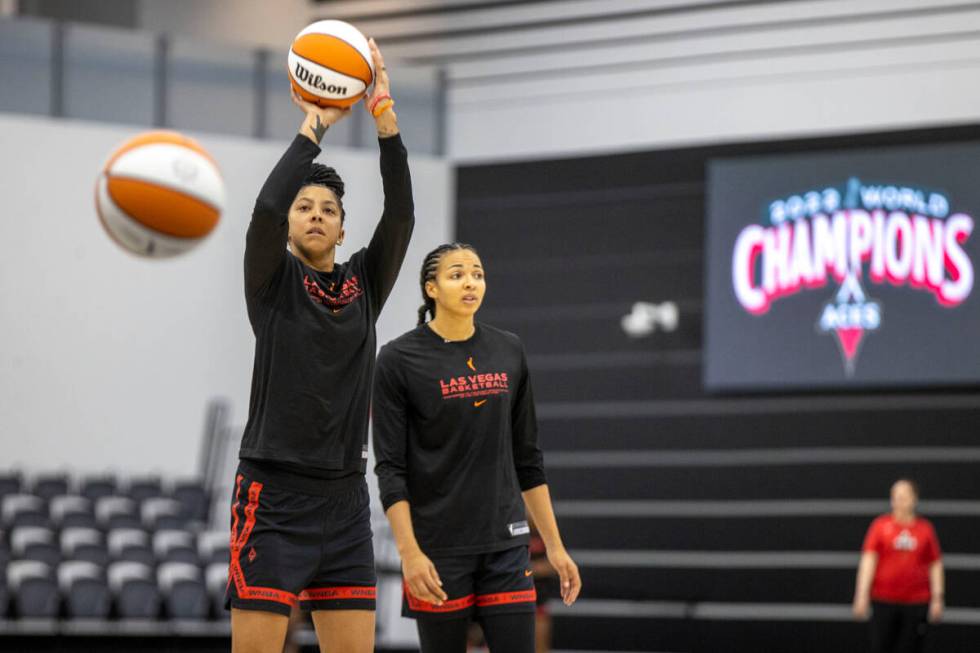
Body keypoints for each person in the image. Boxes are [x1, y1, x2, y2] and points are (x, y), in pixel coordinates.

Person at [226, 39, 415, 653]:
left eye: (327, 208)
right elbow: (263, 208)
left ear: (341, 225)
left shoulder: (365, 281)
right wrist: (316, 125)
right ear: (289, 224)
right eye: (303, 207)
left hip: (344, 500)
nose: (314, 214)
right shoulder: (272, 279)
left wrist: (384, 117)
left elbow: (403, 215)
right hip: (272, 497)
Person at [372, 243, 582, 653]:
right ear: (431, 288)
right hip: (436, 551)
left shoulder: (509, 350)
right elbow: (390, 469)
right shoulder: (397, 359)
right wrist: (410, 553)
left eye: (477, 273)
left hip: (505, 546)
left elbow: (528, 459)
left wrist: (555, 548)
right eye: (456, 274)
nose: (470, 281)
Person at [853, 479, 945, 653]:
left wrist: (937, 598)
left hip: (916, 602)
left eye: (904, 496)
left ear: (914, 499)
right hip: (883, 600)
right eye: (895, 496)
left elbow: (935, 564)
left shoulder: (925, 529)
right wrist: (861, 594)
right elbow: (868, 561)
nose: (899, 500)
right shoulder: (880, 526)